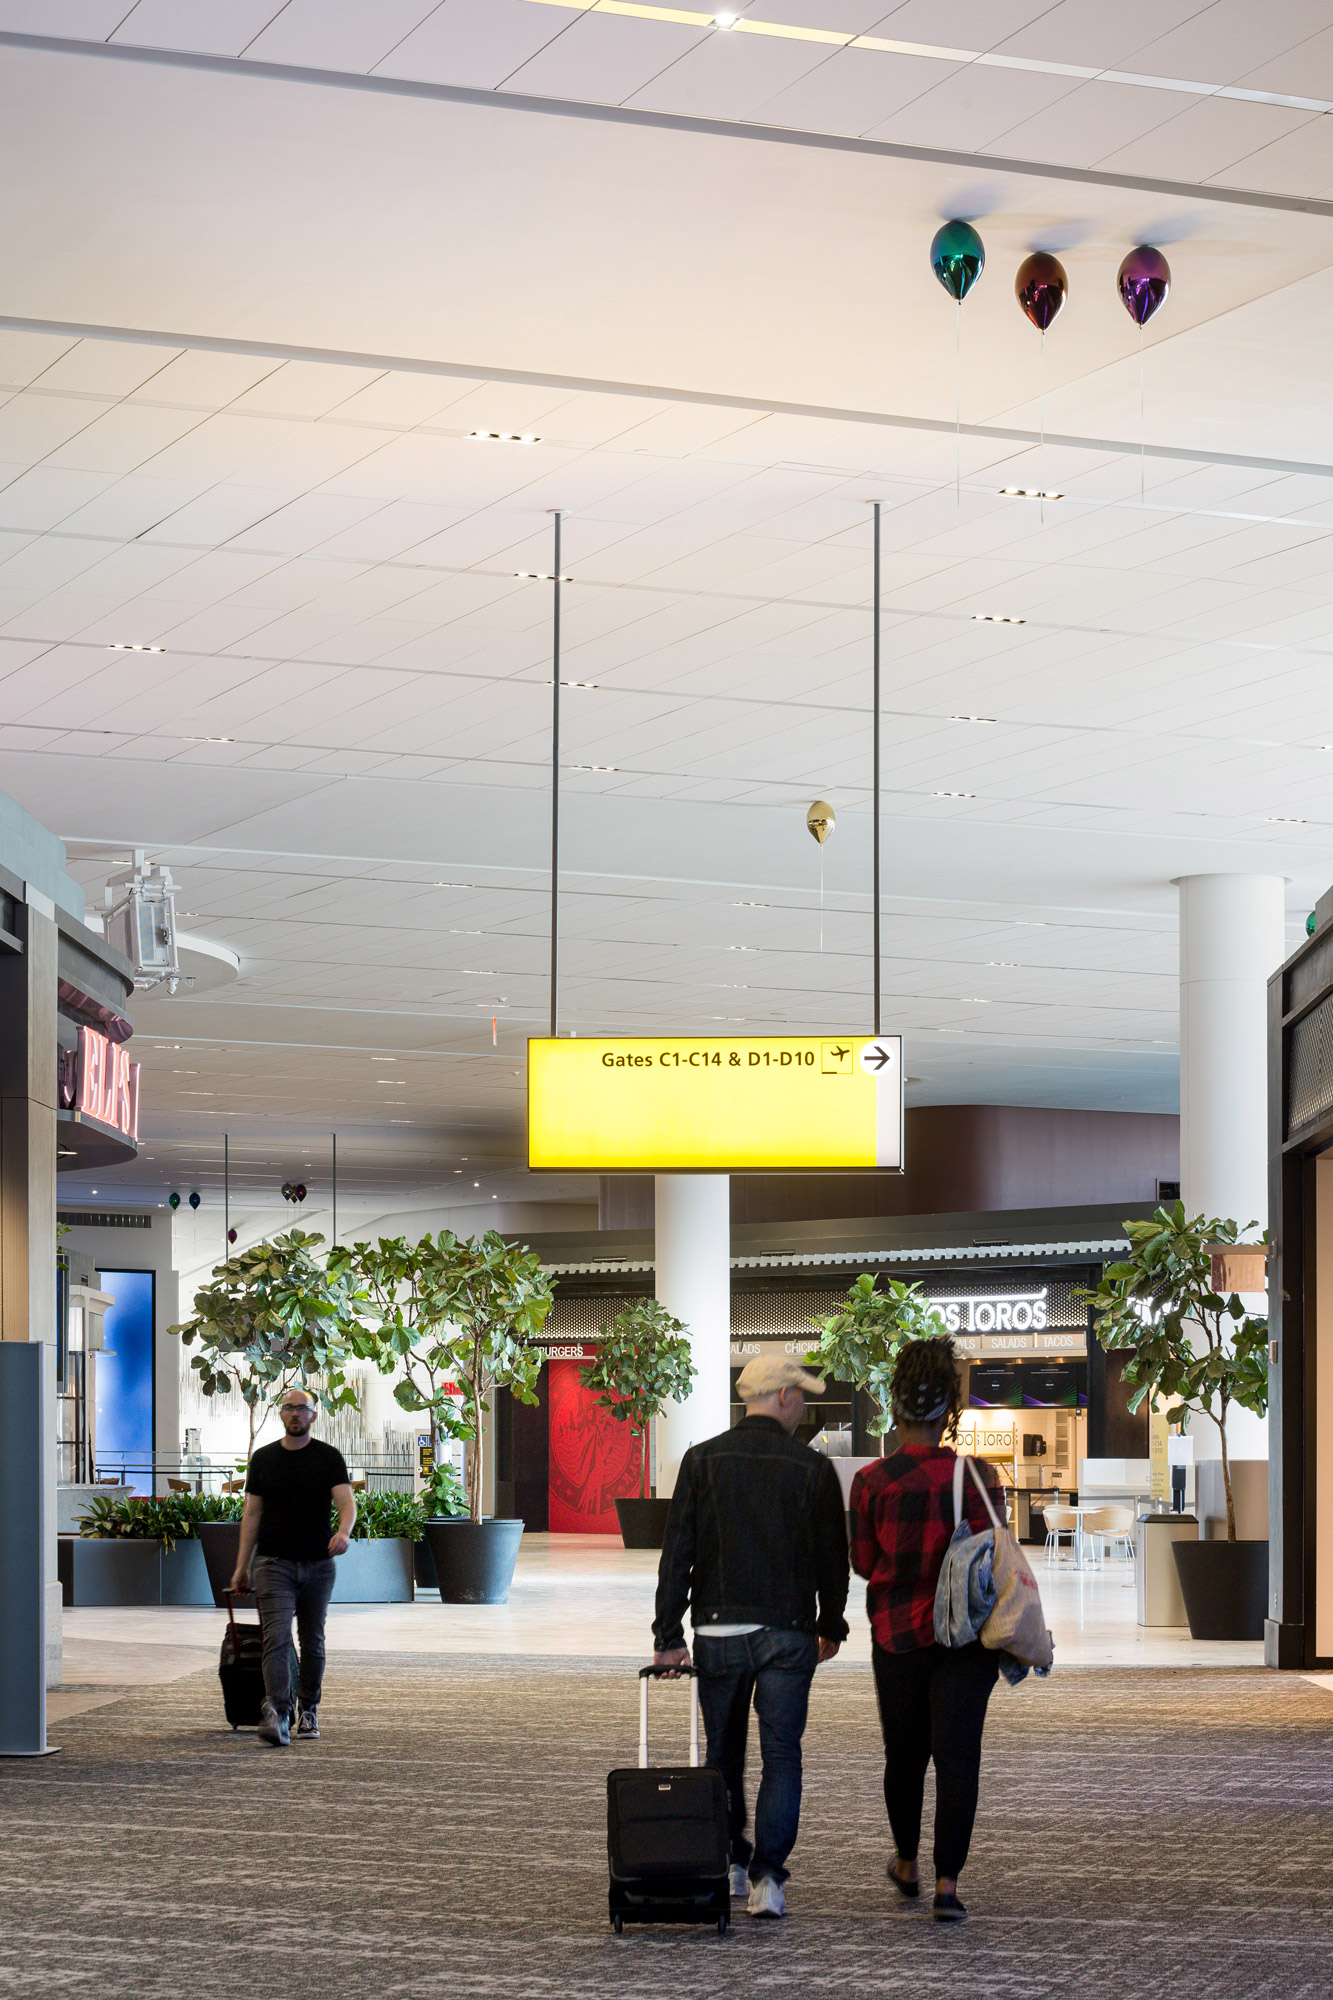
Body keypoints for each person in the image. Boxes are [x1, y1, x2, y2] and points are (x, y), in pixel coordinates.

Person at [652, 1354, 849, 1921]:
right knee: (782, 1755)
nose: (805, 1408)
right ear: (783, 1396)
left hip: (717, 1629)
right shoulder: (811, 1469)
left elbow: (677, 1557)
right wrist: (829, 1624)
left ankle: (732, 1860)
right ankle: (768, 1881)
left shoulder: (701, 1460)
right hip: (788, 1633)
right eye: (803, 1397)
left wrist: (669, 1633)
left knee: (724, 1753)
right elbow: (832, 1561)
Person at [849, 1334, 1005, 1923]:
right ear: (950, 1406)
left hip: (897, 1635)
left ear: (896, 1403)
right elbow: (995, 1557)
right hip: (967, 1640)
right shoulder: (981, 1478)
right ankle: (947, 1885)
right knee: (959, 1757)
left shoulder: (871, 1482)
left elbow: (863, 1562)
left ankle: (908, 1863)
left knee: (905, 1755)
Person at [230, 1387, 356, 1747]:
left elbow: (346, 1502)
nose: (295, 1414)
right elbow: (252, 1514)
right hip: (273, 1564)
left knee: (312, 1639)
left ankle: (309, 1708)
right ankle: (278, 1713)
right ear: (281, 1415)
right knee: (277, 1637)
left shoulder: (328, 1457)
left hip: (318, 1564)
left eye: (302, 1408)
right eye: (289, 1408)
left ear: (314, 1415)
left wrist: (343, 1532)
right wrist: (242, 1566)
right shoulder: (264, 1459)